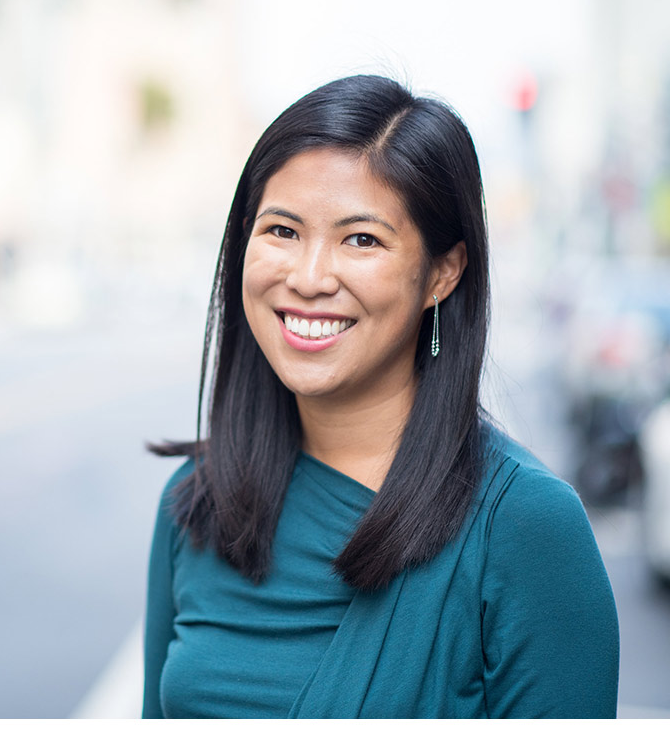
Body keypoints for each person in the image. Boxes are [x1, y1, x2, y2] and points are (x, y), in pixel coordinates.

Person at [142, 74, 619, 719]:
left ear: (442, 272)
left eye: (360, 240)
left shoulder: (525, 529)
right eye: (281, 231)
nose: (308, 278)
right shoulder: (194, 503)